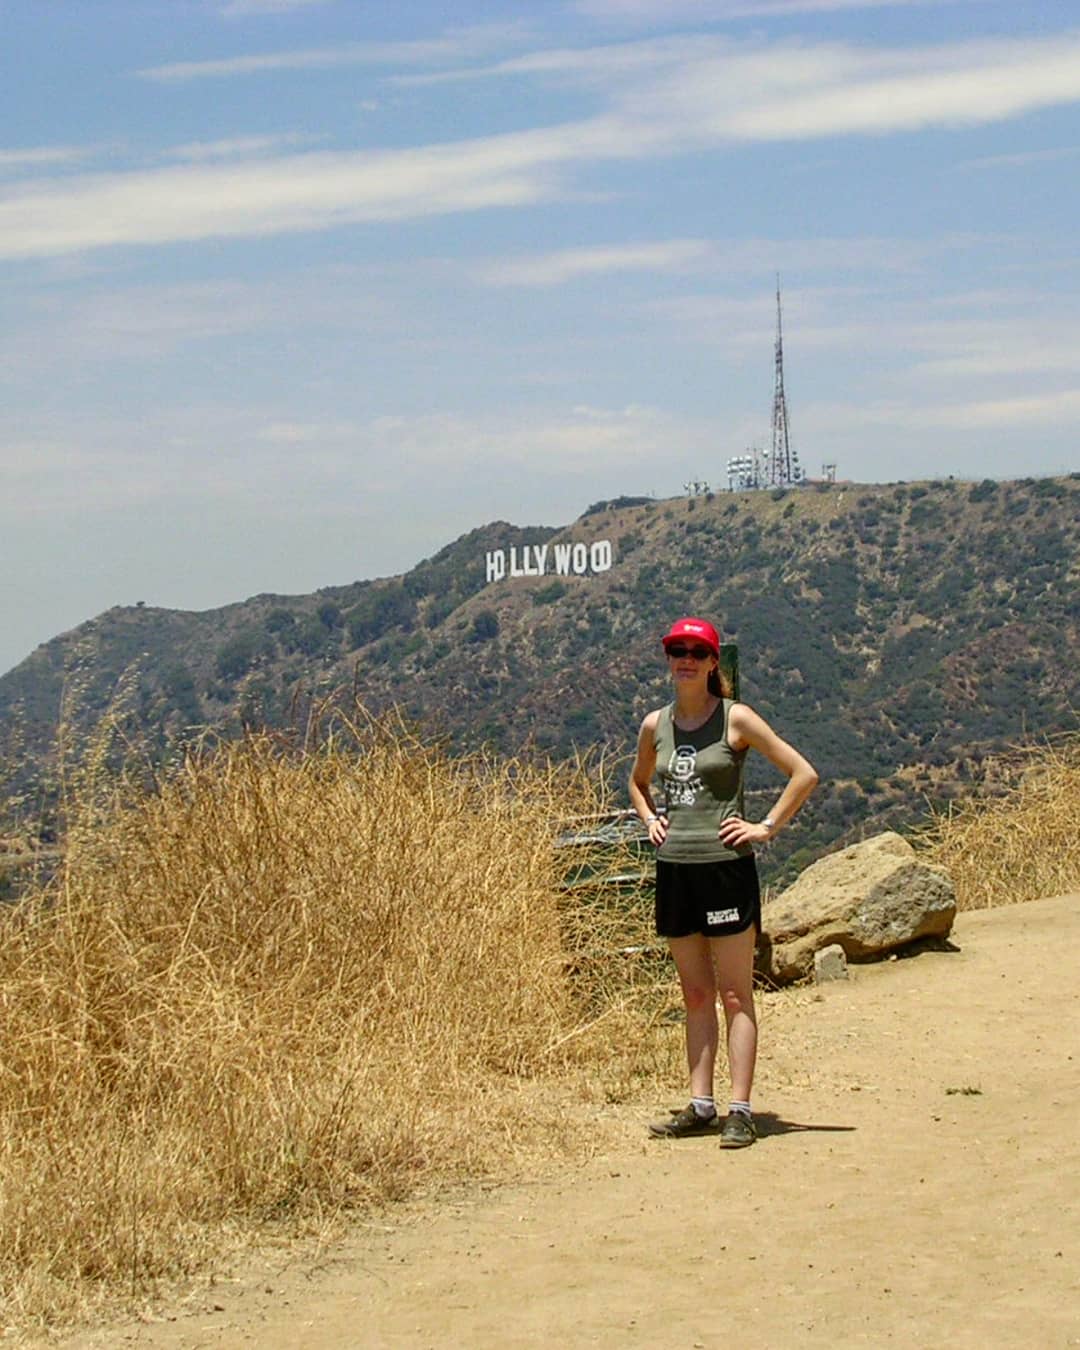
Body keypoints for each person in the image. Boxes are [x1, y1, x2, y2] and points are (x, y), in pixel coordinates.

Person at [628, 617, 818, 1147]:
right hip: (676, 872)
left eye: (696, 651)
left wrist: (765, 827)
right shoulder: (654, 725)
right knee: (694, 993)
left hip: (725, 870)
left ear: (714, 662)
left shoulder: (737, 719)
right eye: (676, 650)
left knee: (736, 994)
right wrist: (648, 819)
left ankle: (740, 1108)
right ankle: (700, 1105)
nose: (684, 659)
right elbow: (638, 782)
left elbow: (802, 773)